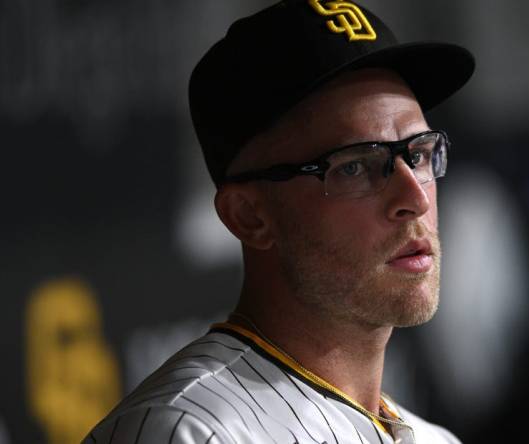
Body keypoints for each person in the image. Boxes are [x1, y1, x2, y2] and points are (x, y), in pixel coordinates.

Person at [84, 0, 474, 442]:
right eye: (355, 167)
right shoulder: (189, 431)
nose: (415, 198)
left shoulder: (434, 439)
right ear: (249, 217)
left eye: (418, 154)